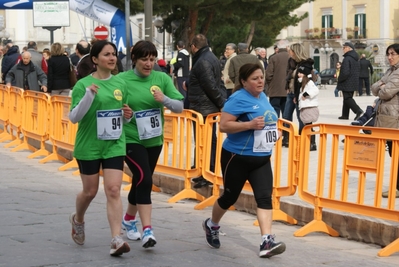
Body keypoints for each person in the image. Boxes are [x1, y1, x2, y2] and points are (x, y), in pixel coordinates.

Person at [202, 63, 286, 258]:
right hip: (237, 157)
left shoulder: (263, 96)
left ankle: (267, 241)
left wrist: (274, 133)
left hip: (261, 158)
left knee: (265, 198)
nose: (260, 81)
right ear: (243, 81)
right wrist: (249, 124)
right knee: (229, 198)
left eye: (261, 77)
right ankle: (212, 225)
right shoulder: (237, 99)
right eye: (255, 78)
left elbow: (266, 122)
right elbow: (223, 126)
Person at [68, 40, 132, 256]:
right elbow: (74, 117)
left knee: (114, 189)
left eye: (114, 54)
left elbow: (121, 117)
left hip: (114, 144)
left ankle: (116, 239)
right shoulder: (82, 85)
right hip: (89, 145)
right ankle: (78, 219)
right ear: (95, 60)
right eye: (107, 55)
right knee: (90, 191)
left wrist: (127, 117)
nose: (112, 58)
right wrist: (89, 96)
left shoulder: (120, 84)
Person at [117, 40, 184, 247]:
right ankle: (147, 230)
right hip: (130, 137)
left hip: (154, 138)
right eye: (144, 59)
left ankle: (128, 219)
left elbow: (179, 107)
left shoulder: (162, 78)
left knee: (141, 179)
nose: (149, 64)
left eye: (152, 59)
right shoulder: (122, 80)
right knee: (145, 179)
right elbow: (112, 107)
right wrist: (123, 113)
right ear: (134, 59)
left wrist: (164, 99)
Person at [185, 34, 226, 188]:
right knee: (206, 141)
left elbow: (210, 85)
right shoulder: (210, 57)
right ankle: (202, 171)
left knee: (206, 142)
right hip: (205, 107)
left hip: (204, 108)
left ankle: (207, 173)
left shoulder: (202, 61)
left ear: (194, 46)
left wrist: (221, 103)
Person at [371, 43, 399, 198]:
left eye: (393, 54)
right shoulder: (390, 71)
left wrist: (381, 87)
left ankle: (397, 187)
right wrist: (380, 86)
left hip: (394, 118)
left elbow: (386, 93)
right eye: (388, 54)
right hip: (388, 118)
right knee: (394, 154)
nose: (390, 57)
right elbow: (374, 87)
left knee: (396, 154)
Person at [337, 42, 363, 120]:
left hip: (347, 81)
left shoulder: (347, 58)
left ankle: (358, 111)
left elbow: (345, 72)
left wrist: (340, 79)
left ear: (349, 48)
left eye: (344, 47)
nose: (343, 49)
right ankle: (345, 115)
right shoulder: (355, 58)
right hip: (353, 80)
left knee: (348, 98)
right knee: (346, 98)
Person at [297, 59, 319, 151]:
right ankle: (311, 143)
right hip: (305, 107)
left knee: (308, 126)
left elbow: (315, 90)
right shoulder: (303, 83)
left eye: (301, 73)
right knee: (308, 126)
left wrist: (306, 94)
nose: (299, 75)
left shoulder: (309, 83)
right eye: (298, 73)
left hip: (309, 107)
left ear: (305, 74)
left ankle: (312, 143)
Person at [265, 40, 290, 117]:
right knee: (286, 112)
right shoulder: (291, 58)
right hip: (288, 90)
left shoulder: (273, 58)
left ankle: (276, 128)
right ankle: (286, 128)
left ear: (278, 48)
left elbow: (268, 74)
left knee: (274, 112)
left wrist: (270, 84)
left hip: (275, 90)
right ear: (287, 47)